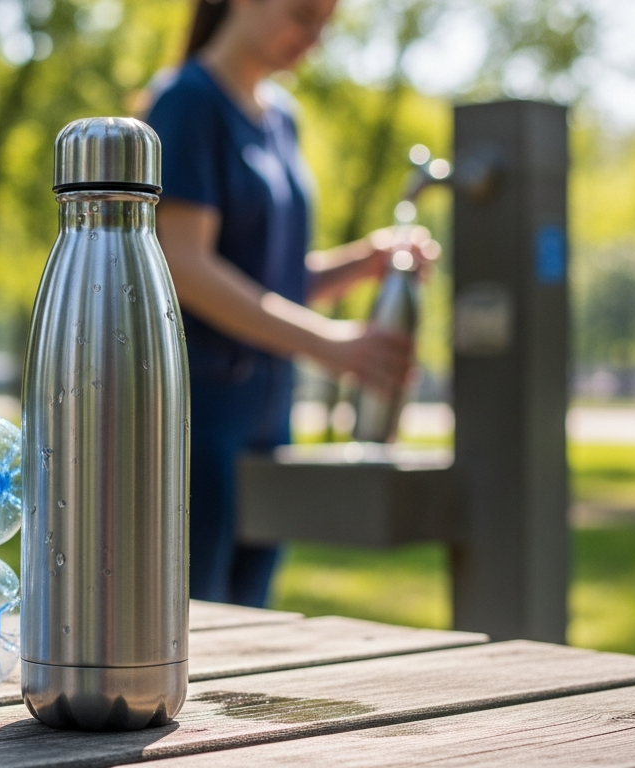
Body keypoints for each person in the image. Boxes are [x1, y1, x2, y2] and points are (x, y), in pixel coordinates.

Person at [144, 0, 437, 607]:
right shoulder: (186, 101)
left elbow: (269, 282)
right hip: (199, 415)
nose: (313, 39)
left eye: (325, 24)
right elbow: (185, 267)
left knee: (253, 617)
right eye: (303, 15)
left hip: (269, 418)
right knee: (195, 617)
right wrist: (331, 345)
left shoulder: (282, 118)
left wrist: (365, 260)